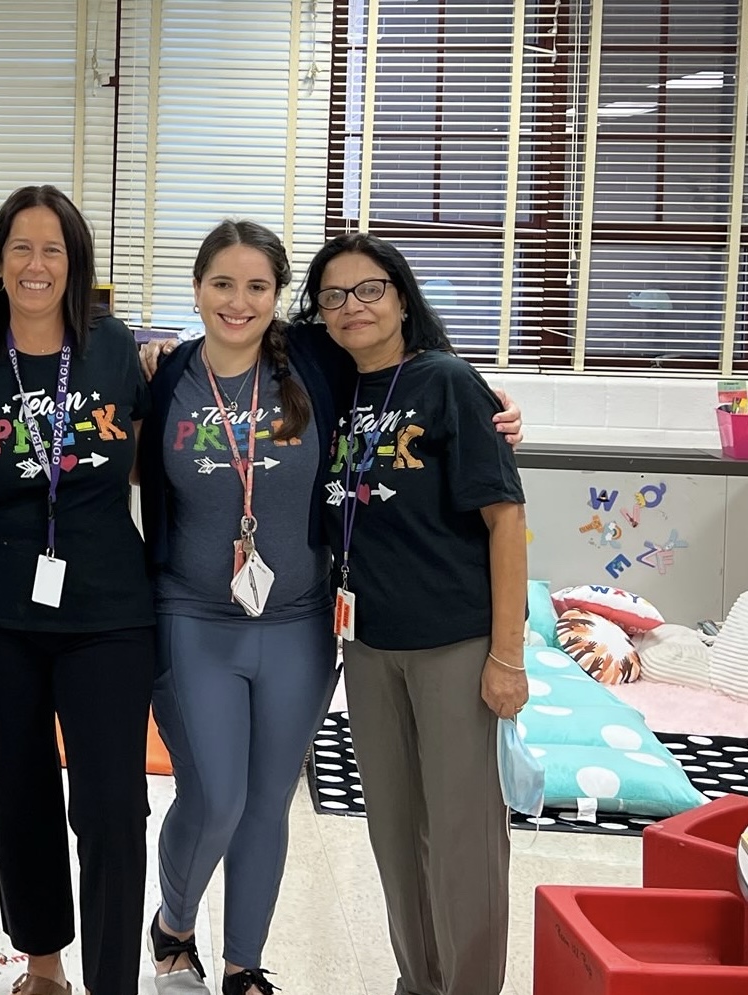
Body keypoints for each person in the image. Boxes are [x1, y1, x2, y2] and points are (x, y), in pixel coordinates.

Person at [137, 222, 524, 995]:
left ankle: (246, 963)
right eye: (221, 283)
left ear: (279, 297)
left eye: (257, 286)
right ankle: (176, 923)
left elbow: (437, 412)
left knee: (277, 804)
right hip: (217, 621)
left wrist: (493, 404)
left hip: (309, 624)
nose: (238, 301)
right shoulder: (174, 368)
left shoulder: (317, 362)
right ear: (197, 288)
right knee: (219, 797)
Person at [0, 185, 154, 995]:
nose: (35, 263)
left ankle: (113, 981)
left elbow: (170, 449)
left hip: (110, 612)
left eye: (52, 249)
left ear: (75, 264)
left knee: (113, 806)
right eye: (19, 248)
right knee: (18, 788)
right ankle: (44, 967)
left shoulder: (115, 348)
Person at [294, 231, 527, 995]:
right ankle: (418, 979)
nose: (352, 306)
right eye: (334, 294)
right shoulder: (331, 387)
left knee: (463, 838)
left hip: (454, 644)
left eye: (369, 289)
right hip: (366, 644)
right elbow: (241, 322)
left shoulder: (447, 381)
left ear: (401, 296)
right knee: (395, 833)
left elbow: (505, 520)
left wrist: (508, 654)